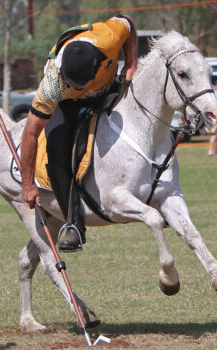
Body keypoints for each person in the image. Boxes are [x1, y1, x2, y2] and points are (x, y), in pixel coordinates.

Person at [20, 15, 137, 252]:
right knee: (56, 151)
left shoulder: (108, 38)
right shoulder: (53, 85)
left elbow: (129, 23)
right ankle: (73, 225)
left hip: (107, 88)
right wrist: (27, 184)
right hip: (66, 104)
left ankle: (158, 195)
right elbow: (30, 133)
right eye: (72, 82)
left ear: (95, 63)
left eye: (80, 84)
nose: (77, 86)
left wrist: (131, 63)